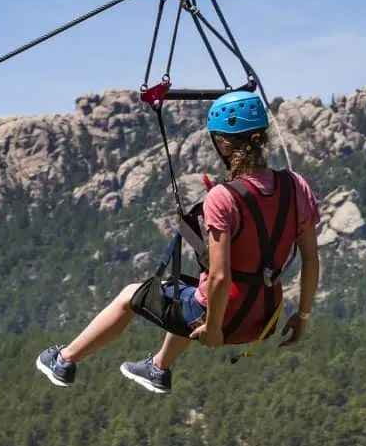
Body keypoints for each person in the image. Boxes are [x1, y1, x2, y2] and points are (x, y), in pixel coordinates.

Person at [36, 89, 320, 394]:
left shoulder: (223, 197)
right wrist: (302, 316)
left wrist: (212, 330)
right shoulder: (295, 186)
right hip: (264, 317)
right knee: (184, 289)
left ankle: (64, 360)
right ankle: (159, 367)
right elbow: (311, 260)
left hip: (222, 320)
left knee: (131, 295)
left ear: (223, 143)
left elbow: (221, 278)